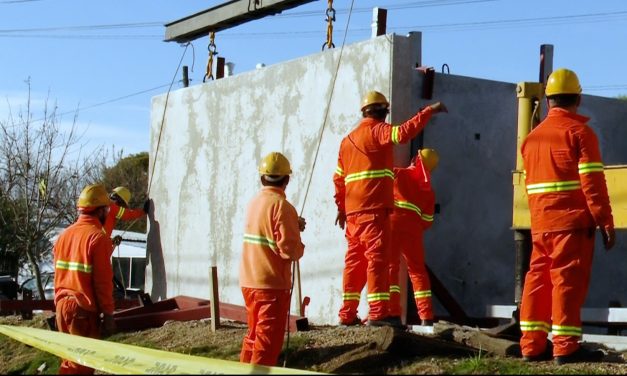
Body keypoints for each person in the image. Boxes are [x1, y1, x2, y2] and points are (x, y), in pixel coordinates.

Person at [519, 68, 615, 365]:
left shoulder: (530, 140)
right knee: (566, 283)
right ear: (579, 97)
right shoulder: (581, 134)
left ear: (548, 101)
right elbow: (593, 185)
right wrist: (605, 221)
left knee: (536, 280)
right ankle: (565, 347)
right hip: (571, 226)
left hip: (540, 225)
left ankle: (532, 346)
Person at [333, 90, 448, 327]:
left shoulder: (346, 142)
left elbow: (338, 179)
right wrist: (428, 111)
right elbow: (403, 133)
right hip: (375, 212)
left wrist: (341, 209)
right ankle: (378, 313)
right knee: (378, 261)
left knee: (354, 263)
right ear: (384, 112)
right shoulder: (379, 131)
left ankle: (347, 313)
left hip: (353, 213)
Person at [239, 152, 306, 366]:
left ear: (262, 178)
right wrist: (297, 236)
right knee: (267, 343)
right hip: (271, 286)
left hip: (249, 281)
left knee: (253, 336)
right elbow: (290, 250)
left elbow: (267, 232)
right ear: (286, 180)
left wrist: (293, 224)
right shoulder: (282, 207)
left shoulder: (253, 203)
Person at [53, 183, 117, 374]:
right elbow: (103, 282)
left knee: (69, 362)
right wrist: (109, 314)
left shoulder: (63, 236)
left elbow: (59, 274)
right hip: (81, 311)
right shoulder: (97, 237)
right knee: (81, 367)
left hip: (62, 307)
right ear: (101, 210)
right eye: (107, 208)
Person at [388, 148, 439, 327]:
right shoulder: (428, 190)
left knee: (391, 267)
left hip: (392, 223)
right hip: (413, 230)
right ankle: (426, 316)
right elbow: (427, 221)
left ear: (413, 160)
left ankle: (393, 313)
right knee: (417, 271)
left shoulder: (396, 173)